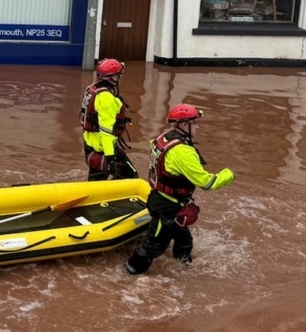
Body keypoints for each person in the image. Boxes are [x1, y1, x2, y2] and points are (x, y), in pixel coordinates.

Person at [125, 104, 234, 275]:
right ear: (184, 125)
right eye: (195, 123)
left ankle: (182, 271)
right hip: (167, 206)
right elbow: (208, 183)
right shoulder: (182, 152)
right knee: (152, 246)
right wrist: (229, 174)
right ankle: (129, 275)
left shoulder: (161, 139)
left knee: (185, 241)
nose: (198, 127)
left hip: (161, 199)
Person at [79, 58, 137, 181]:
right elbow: (106, 131)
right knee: (131, 176)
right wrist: (110, 158)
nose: (120, 77)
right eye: (119, 75)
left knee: (96, 178)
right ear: (113, 77)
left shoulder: (92, 89)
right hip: (103, 148)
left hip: (89, 144)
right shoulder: (107, 99)